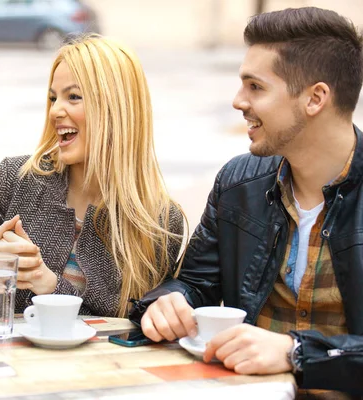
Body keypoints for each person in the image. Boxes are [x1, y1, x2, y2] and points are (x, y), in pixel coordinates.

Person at [129, 7, 363, 396]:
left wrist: (298, 353)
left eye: (255, 87)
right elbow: (195, 284)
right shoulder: (238, 183)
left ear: (315, 98)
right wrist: (169, 302)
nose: (238, 101)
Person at [0, 35, 185, 318]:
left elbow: (131, 327)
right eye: (53, 97)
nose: (55, 110)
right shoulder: (14, 178)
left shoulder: (159, 220)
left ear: (116, 109)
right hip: (7, 359)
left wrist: (49, 286)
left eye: (73, 97)